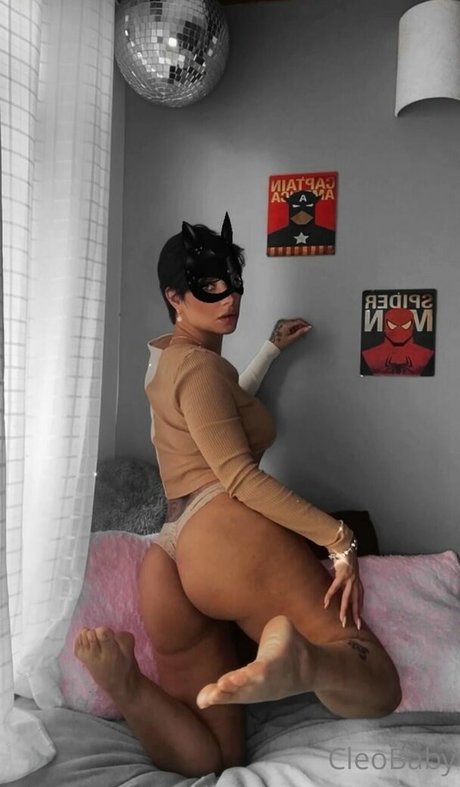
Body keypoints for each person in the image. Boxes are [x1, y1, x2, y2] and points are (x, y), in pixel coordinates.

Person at [74, 214, 401, 777]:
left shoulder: (168, 361)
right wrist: (339, 539)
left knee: (217, 758)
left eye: (233, 282)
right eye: (209, 286)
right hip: (222, 535)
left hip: (169, 557)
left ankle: (128, 686)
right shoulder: (200, 370)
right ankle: (305, 663)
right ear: (174, 297)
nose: (228, 297)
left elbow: (220, 414)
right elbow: (239, 476)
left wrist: (269, 351)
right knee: (377, 681)